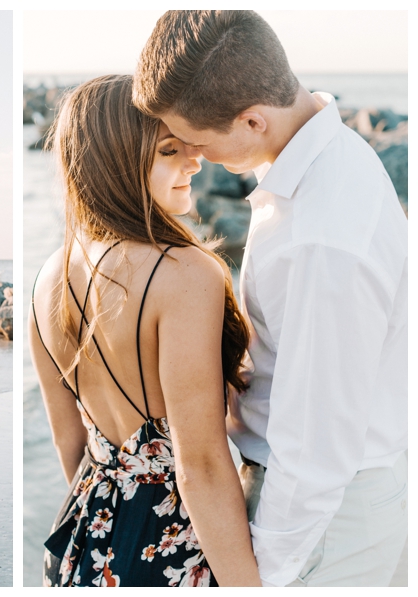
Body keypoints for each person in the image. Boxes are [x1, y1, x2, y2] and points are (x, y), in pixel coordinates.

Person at [133, 10, 407, 587]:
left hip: (323, 524)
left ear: (254, 119)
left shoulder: (320, 238)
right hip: (341, 505)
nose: (195, 157)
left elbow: (316, 447)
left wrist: (262, 575)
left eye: (199, 140)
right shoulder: (325, 160)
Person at [29, 75, 261, 587]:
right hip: (176, 543)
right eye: (169, 150)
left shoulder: (50, 274)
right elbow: (199, 462)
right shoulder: (183, 273)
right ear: (118, 160)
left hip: (84, 536)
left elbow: (70, 441)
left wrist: (112, 528)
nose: (195, 161)